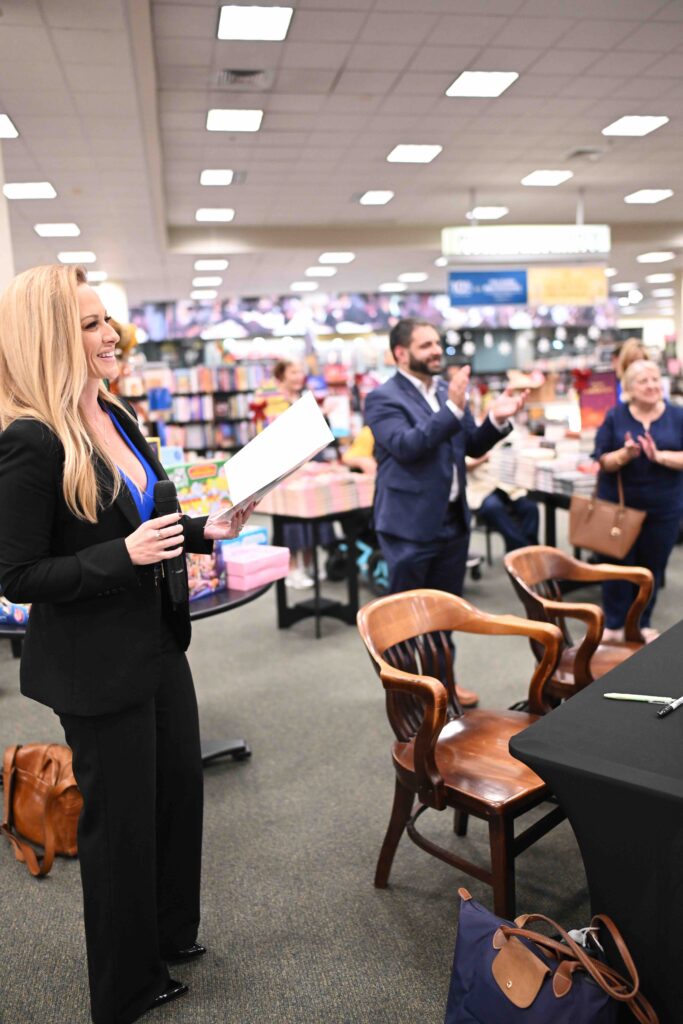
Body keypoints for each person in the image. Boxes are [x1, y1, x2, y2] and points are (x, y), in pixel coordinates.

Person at [0, 265, 252, 1024]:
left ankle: (170, 936)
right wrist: (125, 557)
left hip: (155, 644)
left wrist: (209, 529)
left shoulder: (112, 413)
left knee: (176, 798)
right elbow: (16, 574)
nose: (110, 334)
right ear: (50, 338)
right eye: (88, 323)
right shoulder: (32, 441)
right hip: (94, 665)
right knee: (121, 829)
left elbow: (145, 517)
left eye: (107, 319)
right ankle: (125, 986)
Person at [363, 318, 527, 706]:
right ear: (401, 353)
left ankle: (444, 688)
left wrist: (497, 419)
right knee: (403, 621)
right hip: (407, 524)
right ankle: (408, 697)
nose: (436, 351)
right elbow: (406, 446)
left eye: (437, 343)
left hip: (452, 520)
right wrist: (453, 407)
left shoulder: (444, 390)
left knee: (443, 613)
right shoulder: (382, 398)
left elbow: (470, 443)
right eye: (425, 346)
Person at [593, 358, 683, 644]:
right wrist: (624, 455)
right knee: (618, 566)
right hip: (620, 507)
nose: (652, 385)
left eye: (655, 379)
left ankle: (642, 622)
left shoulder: (677, 415)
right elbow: (602, 459)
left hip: (663, 506)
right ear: (629, 388)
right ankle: (616, 624)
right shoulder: (615, 416)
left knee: (651, 568)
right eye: (643, 381)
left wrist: (659, 457)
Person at [466, 452, 539, 553]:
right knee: (493, 507)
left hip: (507, 487)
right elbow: (466, 465)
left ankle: (526, 548)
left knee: (530, 507)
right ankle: (525, 549)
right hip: (482, 489)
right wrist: (485, 457)